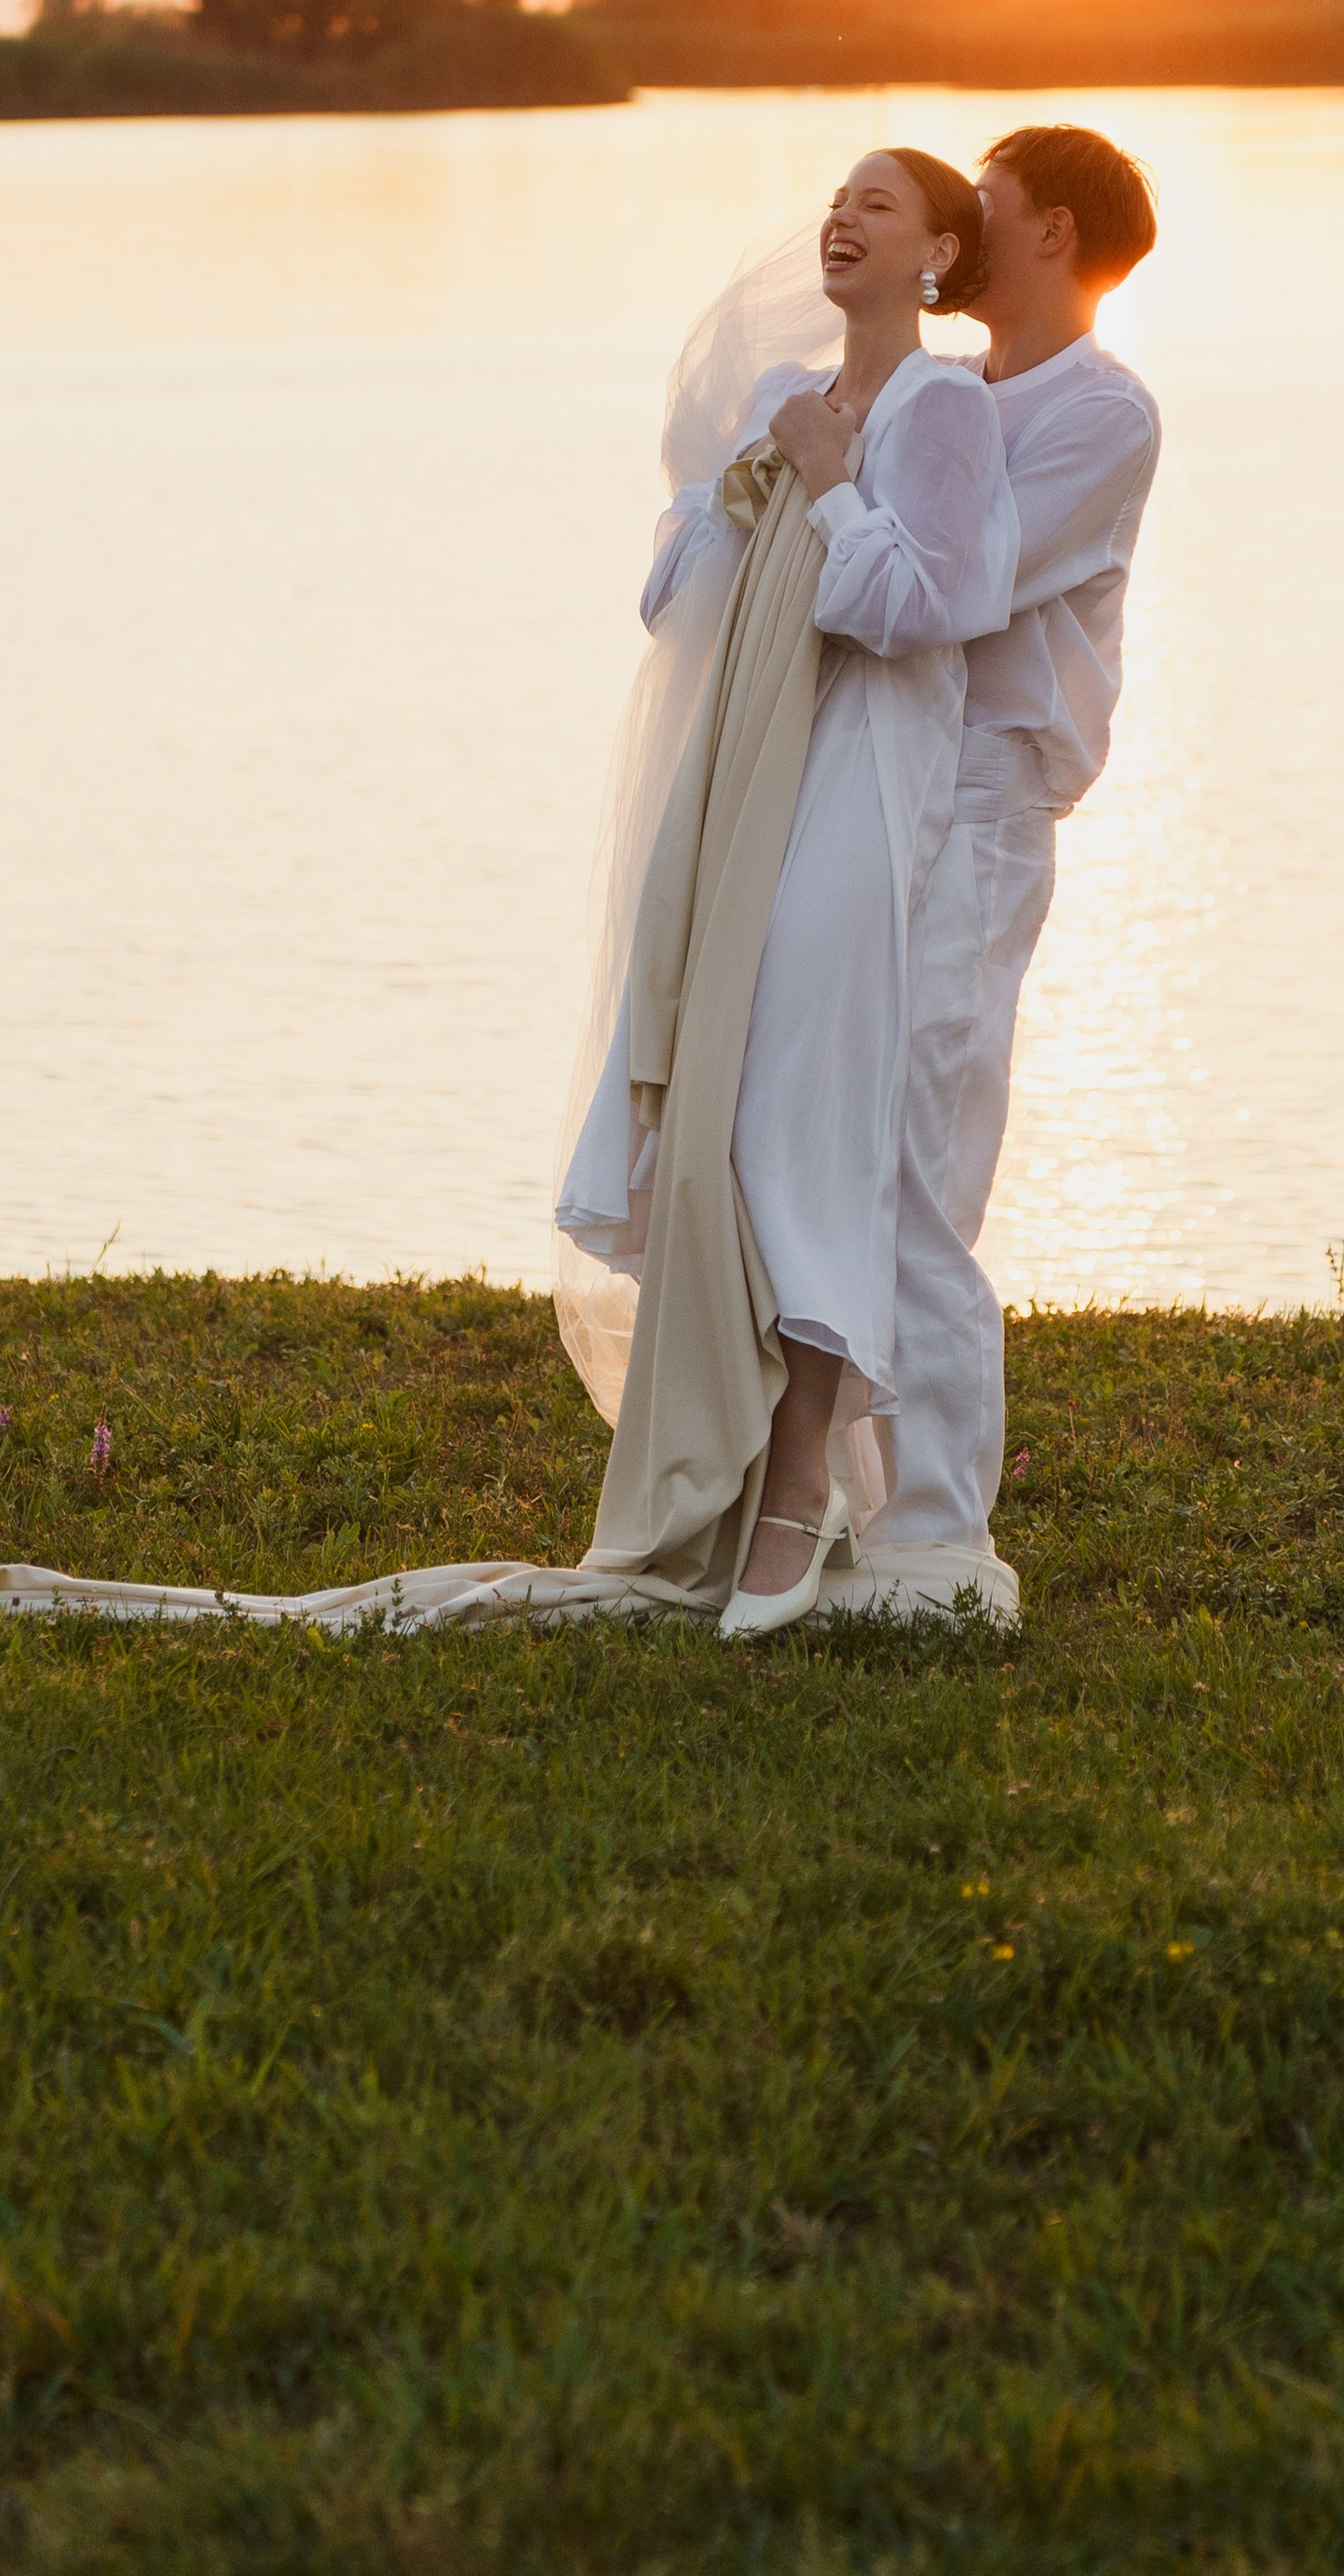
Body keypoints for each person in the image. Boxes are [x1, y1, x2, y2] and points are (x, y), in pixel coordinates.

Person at [556, 149, 1020, 1634]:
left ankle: (805, 1476)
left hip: (870, 769)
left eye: (881, 205)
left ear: (939, 254)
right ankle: (760, 1447)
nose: (844, 216)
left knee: (801, 1116)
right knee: (730, 1100)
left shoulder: (946, 406)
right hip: (763, 764)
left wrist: (828, 484)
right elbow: (677, 607)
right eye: (839, 198)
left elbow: (937, 606)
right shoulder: (797, 401)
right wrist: (729, 493)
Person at [864, 122, 1162, 1561]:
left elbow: (962, 582)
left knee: (927, 1148)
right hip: (878, 783)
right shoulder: (941, 389)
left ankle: (934, 1529)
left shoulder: (1102, 413)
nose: (962, 230)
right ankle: (839, 1493)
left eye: (984, 205)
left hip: (982, 801)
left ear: (1050, 230)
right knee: (843, 1135)